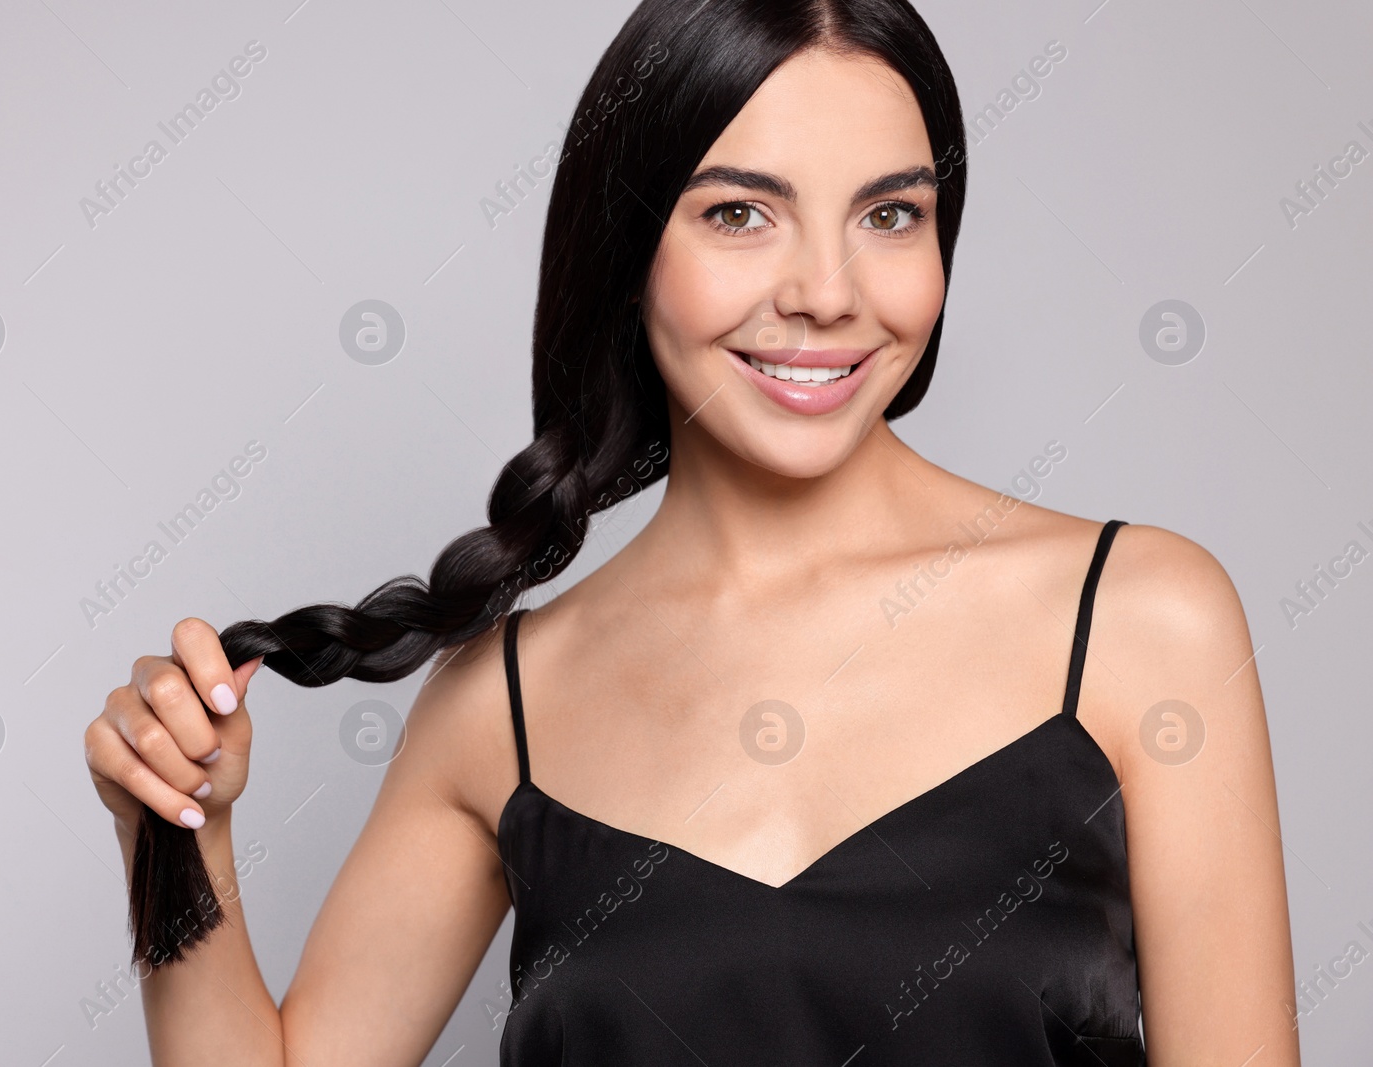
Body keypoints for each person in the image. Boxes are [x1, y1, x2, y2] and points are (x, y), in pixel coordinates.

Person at [83, 0, 1300, 1062]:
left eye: (889, 215)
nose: (827, 290)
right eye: (738, 214)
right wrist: (172, 828)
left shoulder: (1142, 619)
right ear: (626, 251)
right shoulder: (498, 703)